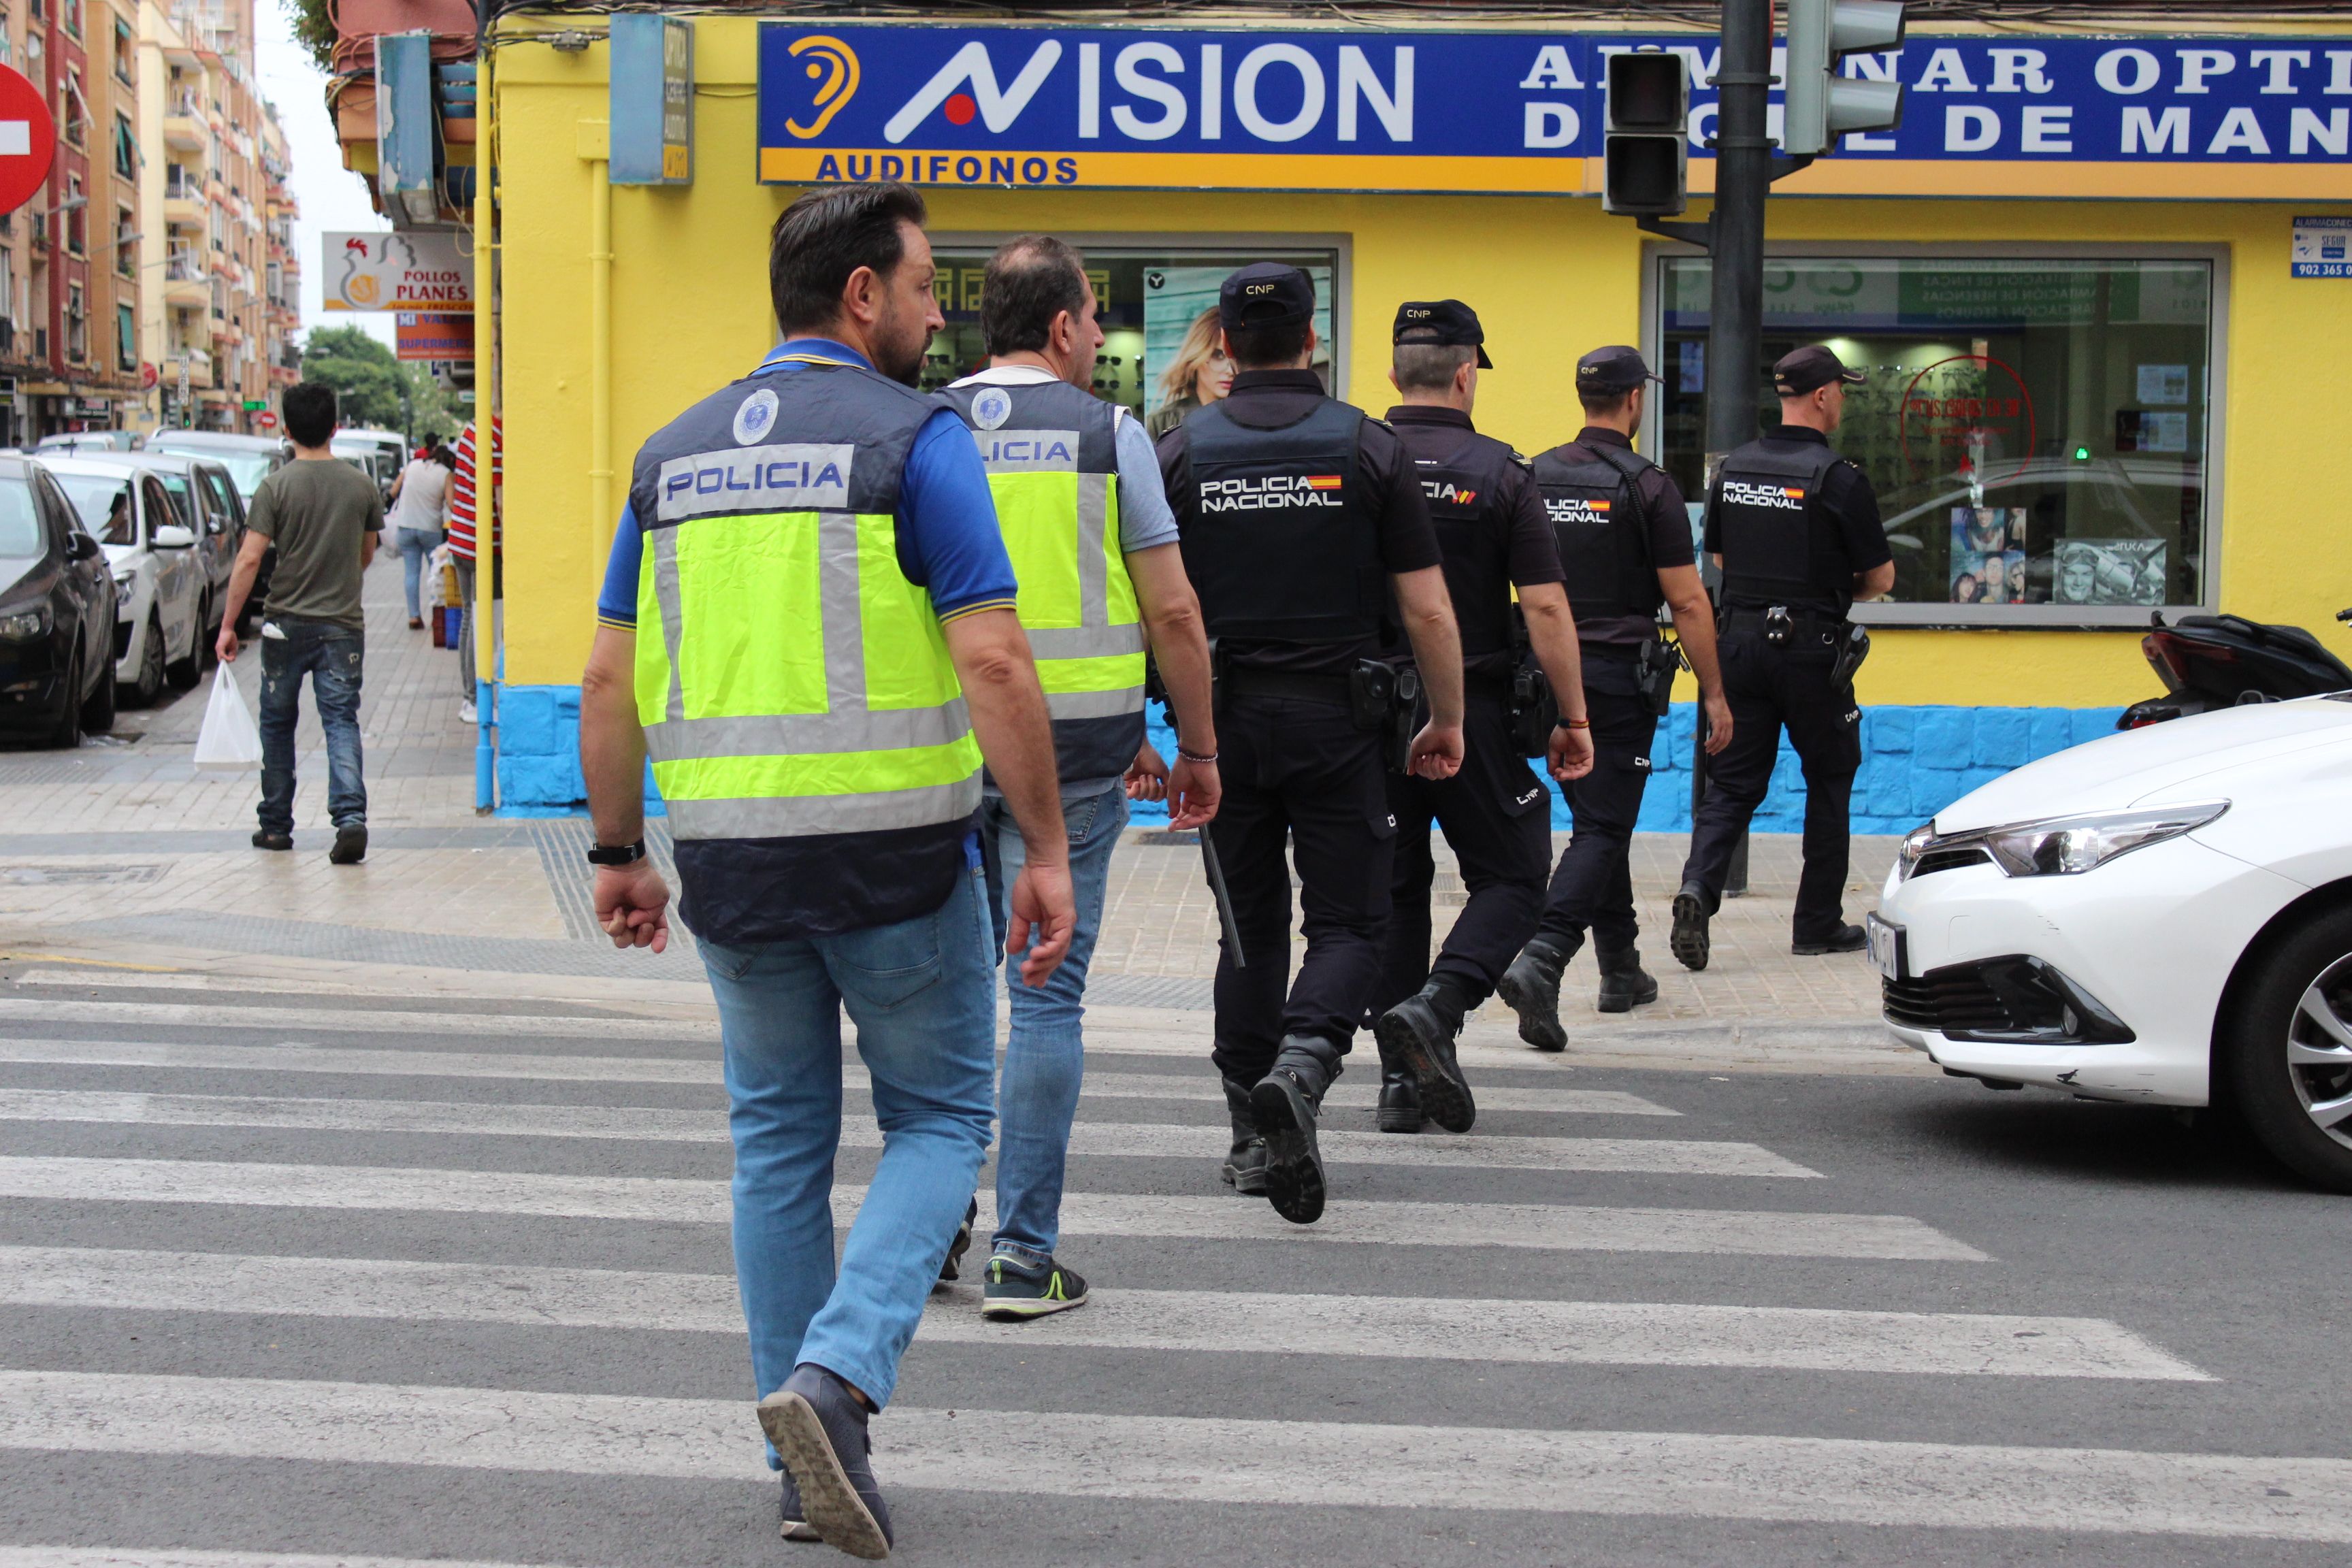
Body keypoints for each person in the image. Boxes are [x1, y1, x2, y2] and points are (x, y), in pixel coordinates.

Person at [576, 182, 1076, 1559]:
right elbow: (990, 657)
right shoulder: (917, 440)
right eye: (924, 290)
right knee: (935, 1127)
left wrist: (619, 851)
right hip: (900, 868)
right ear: (862, 295)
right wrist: (1043, 846)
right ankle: (837, 1380)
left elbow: (609, 674)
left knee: (778, 1146)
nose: (935, 314)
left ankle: (800, 1474)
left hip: (733, 869)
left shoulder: (668, 459)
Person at [938, 235, 1222, 1318]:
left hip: (951, 752)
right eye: (1096, 319)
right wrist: (1192, 746)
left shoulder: (925, 427)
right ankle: (1023, 1257)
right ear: (1060, 329)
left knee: (954, 1000)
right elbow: (1172, 612)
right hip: (1078, 768)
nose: (1101, 338)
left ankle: (931, 1227)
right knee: (1044, 1000)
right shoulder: (1109, 435)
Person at [1158, 262, 1465, 1224]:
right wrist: (1446, 719)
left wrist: (1153, 728)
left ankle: (1253, 1138)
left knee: (1246, 929)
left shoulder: (1178, 452)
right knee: (1351, 926)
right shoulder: (1369, 448)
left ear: (1226, 346)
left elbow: (1152, 607)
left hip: (1220, 726)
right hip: (1342, 722)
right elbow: (1427, 606)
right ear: (1310, 338)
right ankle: (1303, 1065)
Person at [1367, 300, 1595, 1133]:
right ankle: (1441, 1005)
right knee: (1516, 875)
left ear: (1395, 374)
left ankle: (1398, 1083)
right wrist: (1574, 715)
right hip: (1478, 714)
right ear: (1467, 374)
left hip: (1375, 715)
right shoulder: (1500, 472)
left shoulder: (1359, 458)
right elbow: (1544, 608)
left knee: (1396, 890)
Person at [1497, 346, 1732, 1048]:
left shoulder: (1532, 475)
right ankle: (1544, 956)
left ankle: (1621, 967)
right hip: (1614, 679)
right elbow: (1688, 601)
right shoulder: (1648, 487)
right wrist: (1715, 692)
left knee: (1604, 818)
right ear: (1634, 401)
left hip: (1538, 675)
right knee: (1602, 829)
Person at [1669, 344, 1895, 967]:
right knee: (1830, 778)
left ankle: (1697, 886)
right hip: (1811, 649)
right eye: (1841, 390)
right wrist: (1820, 594)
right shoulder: (1840, 478)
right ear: (1821, 396)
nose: (1843, 400)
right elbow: (1880, 577)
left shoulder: (1734, 469)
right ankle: (1817, 922)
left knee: (1733, 783)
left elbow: (1717, 561)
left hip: (1738, 641)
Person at [214, 381, 383, 866]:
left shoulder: (275, 487)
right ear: (336, 427)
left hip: (284, 625)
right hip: (342, 627)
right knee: (340, 721)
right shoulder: (360, 485)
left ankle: (276, 826)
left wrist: (228, 626)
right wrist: (342, 581)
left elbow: (248, 561)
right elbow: (366, 552)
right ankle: (350, 820)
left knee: (278, 723)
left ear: (286, 430)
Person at [447, 416, 501, 724]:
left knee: (470, 616)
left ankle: (470, 698)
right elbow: (500, 502)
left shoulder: (472, 429)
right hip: (483, 546)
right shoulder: (494, 440)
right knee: (483, 621)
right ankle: (477, 699)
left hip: (462, 540)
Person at [386, 442, 453, 629]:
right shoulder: (445, 474)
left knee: (411, 572)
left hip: (406, 525)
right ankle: (436, 615)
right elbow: (452, 504)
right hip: (431, 528)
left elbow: (393, 491)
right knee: (435, 572)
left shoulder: (412, 466)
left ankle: (414, 616)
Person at [1145, 305, 1234, 440]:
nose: (1230, 371)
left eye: (1235, 356)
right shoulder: (1164, 422)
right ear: (1196, 356)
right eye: (1218, 355)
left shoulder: (1255, 415)